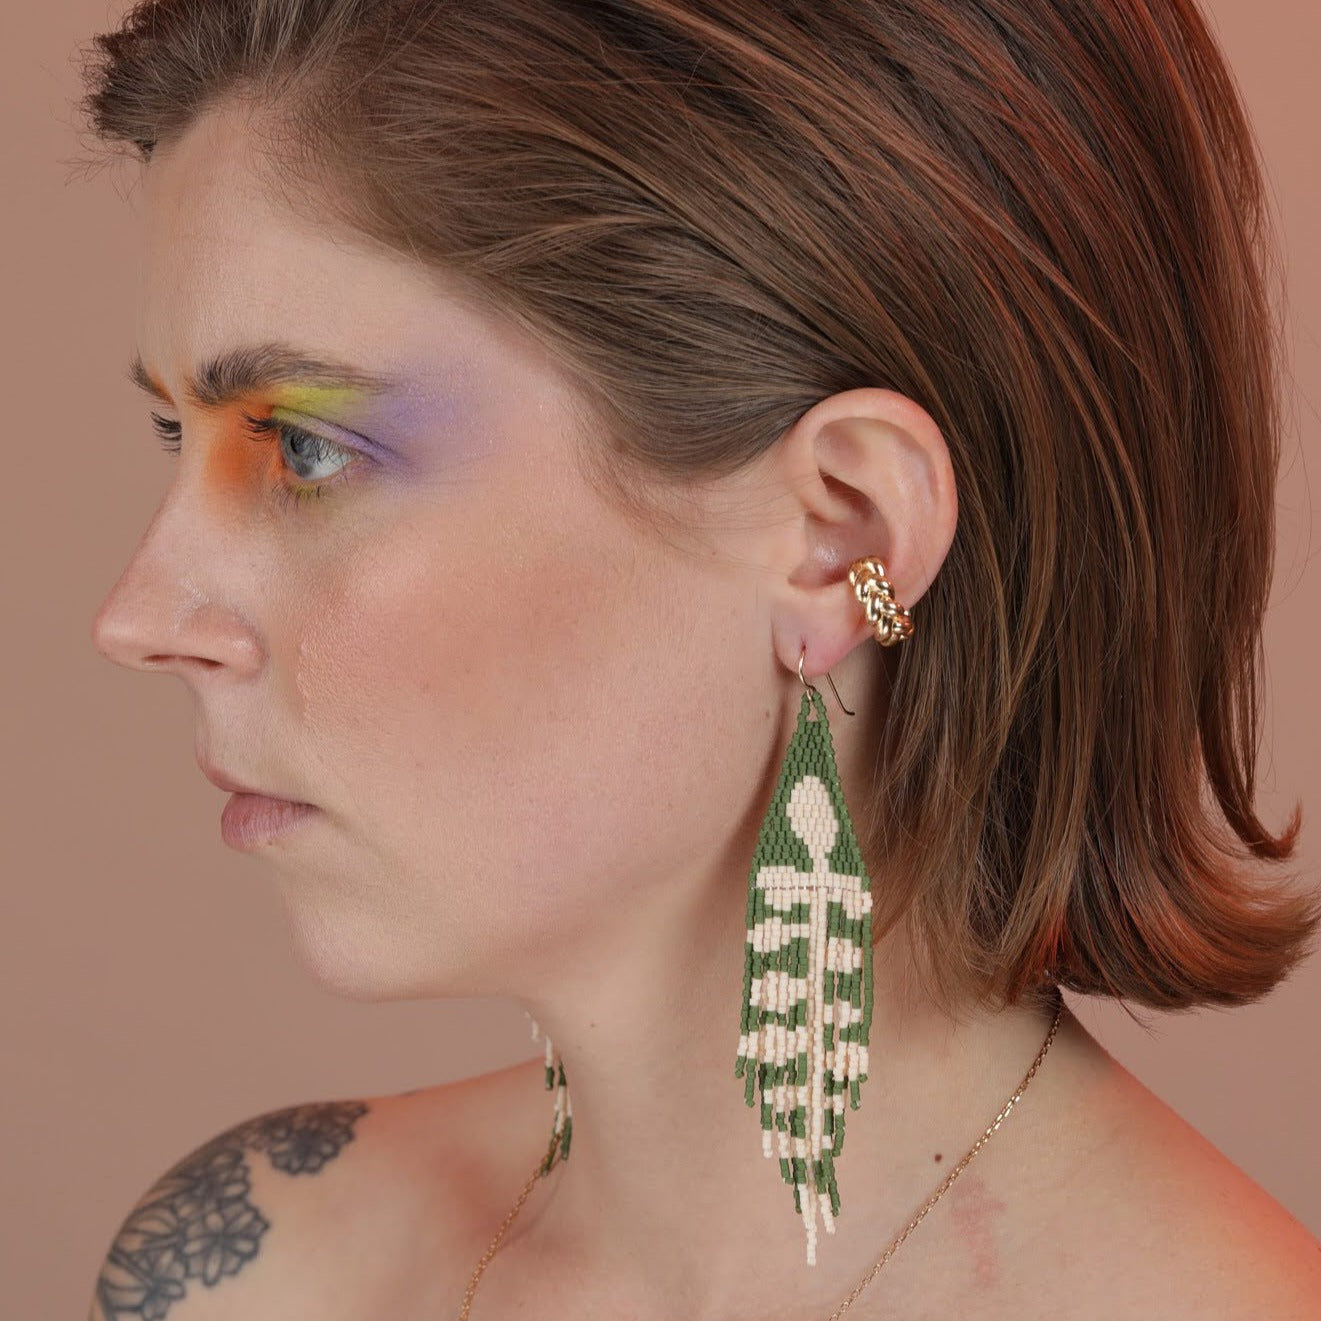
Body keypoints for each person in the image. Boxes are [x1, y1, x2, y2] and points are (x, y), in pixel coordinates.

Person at [80, 1, 1321, 1318]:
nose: (139, 613)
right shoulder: (254, 1270)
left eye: (301, 449)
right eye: (180, 438)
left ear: (840, 532)